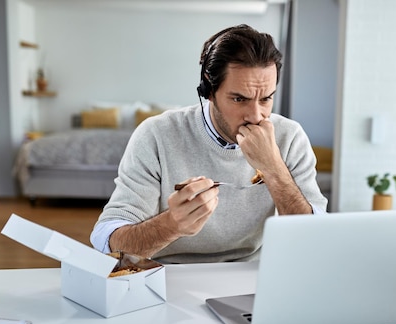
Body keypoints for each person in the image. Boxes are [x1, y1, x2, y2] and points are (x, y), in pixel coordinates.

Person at [90, 24, 327, 263]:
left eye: (266, 99)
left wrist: (274, 169)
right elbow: (106, 243)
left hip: (250, 277)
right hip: (167, 276)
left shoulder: (290, 137)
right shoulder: (156, 135)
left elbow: (315, 241)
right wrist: (171, 224)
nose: (256, 116)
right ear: (209, 89)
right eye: (239, 99)